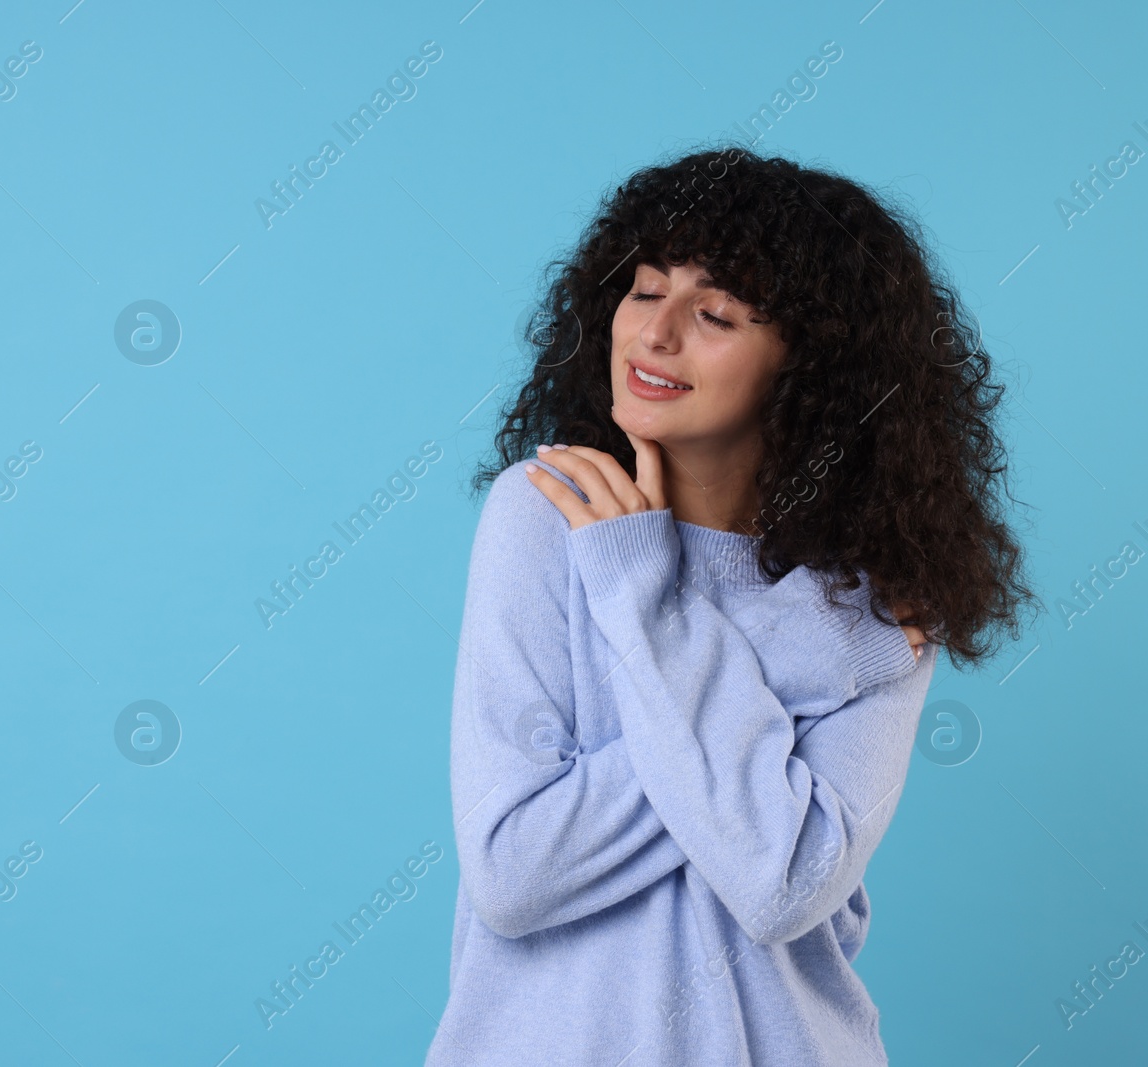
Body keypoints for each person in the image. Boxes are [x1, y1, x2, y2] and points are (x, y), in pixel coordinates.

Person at [426, 144, 1037, 1066]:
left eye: (713, 313)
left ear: (813, 366)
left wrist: (647, 610)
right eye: (644, 291)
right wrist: (804, 659)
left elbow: (785, 883)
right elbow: (514, 869)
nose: (656, 335)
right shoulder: (551, 513)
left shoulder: (883, 591)